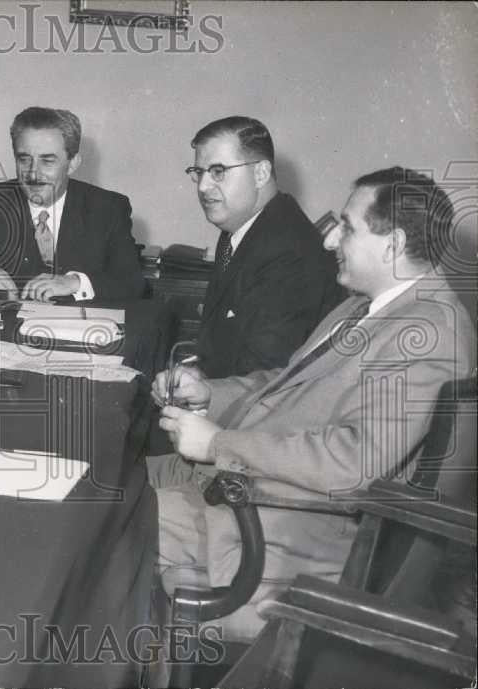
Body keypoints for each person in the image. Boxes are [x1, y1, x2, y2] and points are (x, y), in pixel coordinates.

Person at [148, 167, 476, 638]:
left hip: (281, 527)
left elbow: (355, 462)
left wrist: (219, 444)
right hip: (250, 488)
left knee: (100, 518)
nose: (329, 240)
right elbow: (288, 383)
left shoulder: (430, 335)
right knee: (102, 475)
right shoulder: (364, 306)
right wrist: (211, 394)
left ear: (394, 244)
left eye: (347, 227)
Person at [187, 116, 343, 378]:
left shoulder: (290, 253)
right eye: (199, 172)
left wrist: (201, 382)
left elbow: (264, 374)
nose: (203, 186)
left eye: (218, 171)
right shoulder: (242, 228)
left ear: (260, 173)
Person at [0, 107, 144, 302]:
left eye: (47, 161)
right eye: (24, 159)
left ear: (73, 163)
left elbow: (133, 283)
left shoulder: (108, 208)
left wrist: (74, 283)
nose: (33, 173)